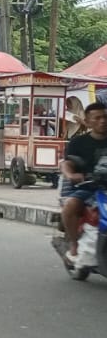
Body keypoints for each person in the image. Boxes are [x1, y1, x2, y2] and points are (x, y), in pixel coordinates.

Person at [58, 102, 107, 267]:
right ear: (87, 121)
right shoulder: (78, 142)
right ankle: (74, 245)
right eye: (97, 118)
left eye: (105, 117)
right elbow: (67, 163)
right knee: (70, 206)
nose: (102, 121)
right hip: (88, 187)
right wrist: (71, 175)